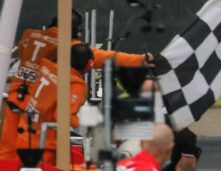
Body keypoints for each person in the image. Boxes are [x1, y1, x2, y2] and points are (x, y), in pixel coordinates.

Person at [0, 11, 152, 160]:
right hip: (39, 107)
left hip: (16, 97)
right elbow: (99, 57)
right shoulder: (67, 46)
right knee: (36, 154)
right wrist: (138, 60)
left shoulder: (30, 36)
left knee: (6, 151)